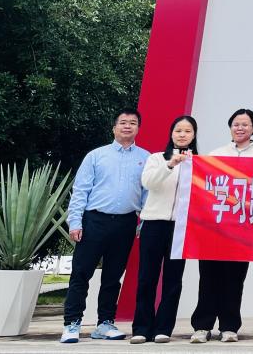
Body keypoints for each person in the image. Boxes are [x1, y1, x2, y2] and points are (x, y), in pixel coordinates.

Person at [61, 109, 149, 344]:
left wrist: (142, 223)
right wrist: (75, 222)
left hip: (126, 223)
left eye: (133, 123)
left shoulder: (146, 158)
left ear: (138, 128)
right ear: (114, 128)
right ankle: (72, 323)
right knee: (81, 274)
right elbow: (80, 190)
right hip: (94, 221)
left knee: (113, 277)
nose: (127, 126)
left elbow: (147, 194)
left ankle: (105, 323)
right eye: (123, 122)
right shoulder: (96, 156)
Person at [189, 108, 253, 344]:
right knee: (208, 276)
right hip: (214, 227)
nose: (240, 128)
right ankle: (202, 326)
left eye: (245, 124)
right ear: (230, 128)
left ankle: (229, 326)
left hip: (242, 229)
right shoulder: (216, 154)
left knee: (234, 278)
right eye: (236, 124)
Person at [130, 115, 197, 345]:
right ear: (171, 133)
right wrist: (170, 165)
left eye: (187, 131)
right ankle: (141, 327)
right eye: (178, 130)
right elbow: (148, 182)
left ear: (194, 135)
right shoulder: (157, 158)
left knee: (173, 279)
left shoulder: (199, 162)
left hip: (181, 227)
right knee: (147, 277)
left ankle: (163, 328)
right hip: (153, 223)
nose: (182, 134)